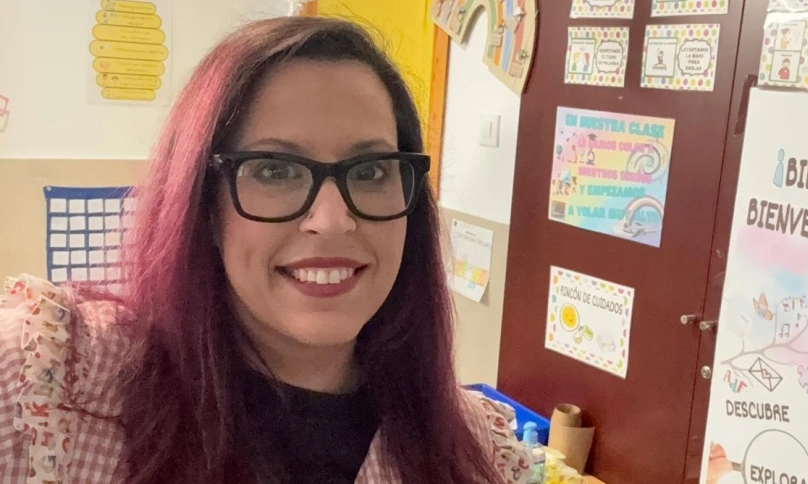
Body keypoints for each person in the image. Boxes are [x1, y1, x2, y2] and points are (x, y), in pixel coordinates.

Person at [0, 17, 531, 484]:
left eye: (370, 171)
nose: (332, 221)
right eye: (275, 170)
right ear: (204, 205)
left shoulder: (477, 452)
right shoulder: (49, 385)